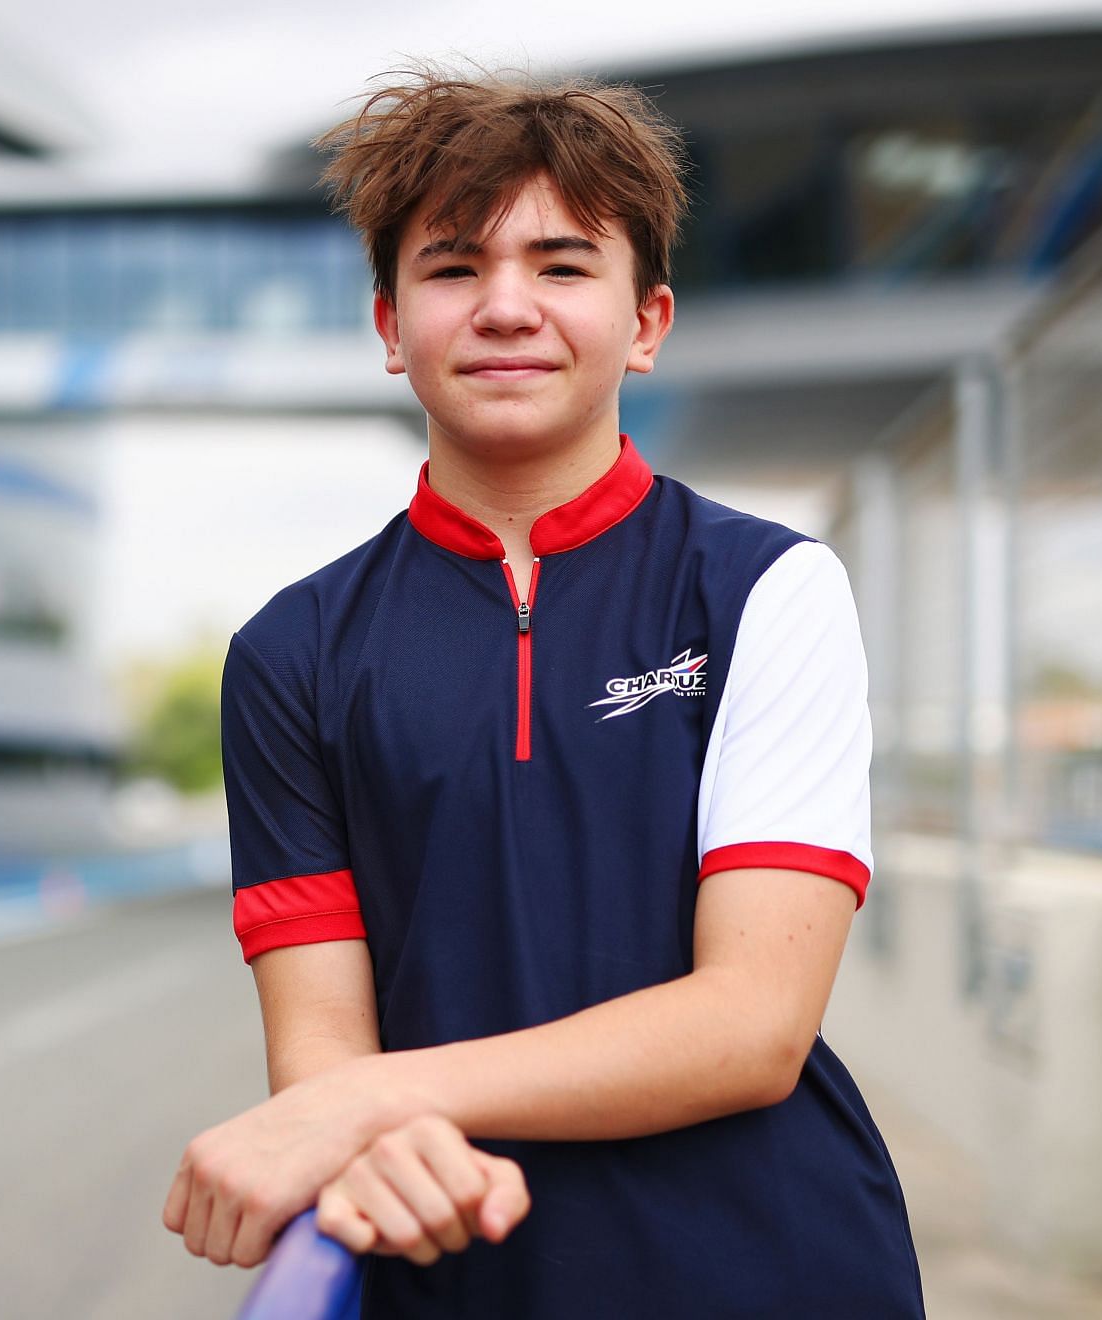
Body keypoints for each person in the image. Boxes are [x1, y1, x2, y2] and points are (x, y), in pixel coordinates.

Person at [161, 65, 925, 1317]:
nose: (507, 306)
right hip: (460, 1282)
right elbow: (321, 1049)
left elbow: (752, 1025)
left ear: (647, 321)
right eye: (454, 267)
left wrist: (368, 1099)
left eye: (564, 266)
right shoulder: (291, 653)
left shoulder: (767, 589)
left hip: (775, 1271)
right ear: (389, 326)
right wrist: (359, 1111)